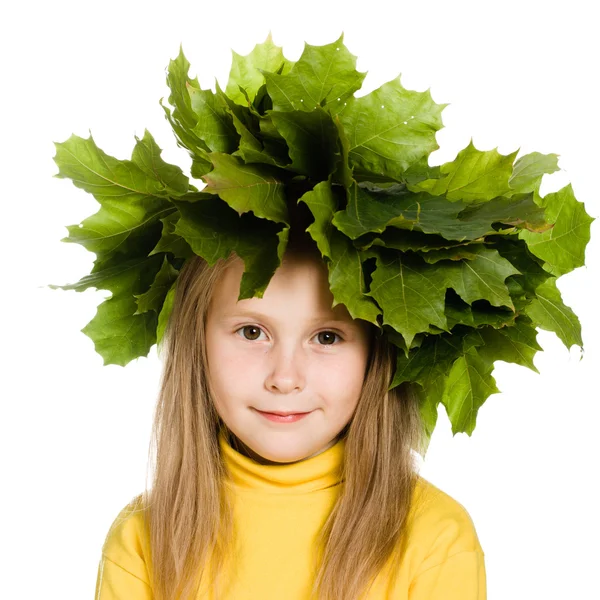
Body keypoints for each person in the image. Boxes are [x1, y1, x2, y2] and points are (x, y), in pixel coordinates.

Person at [94, 224, 486, 600]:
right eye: (251, 332)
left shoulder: (435, 538)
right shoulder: (143, 537)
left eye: (327, 337)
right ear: (197, 342)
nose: (285, 378)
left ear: (375, 355)